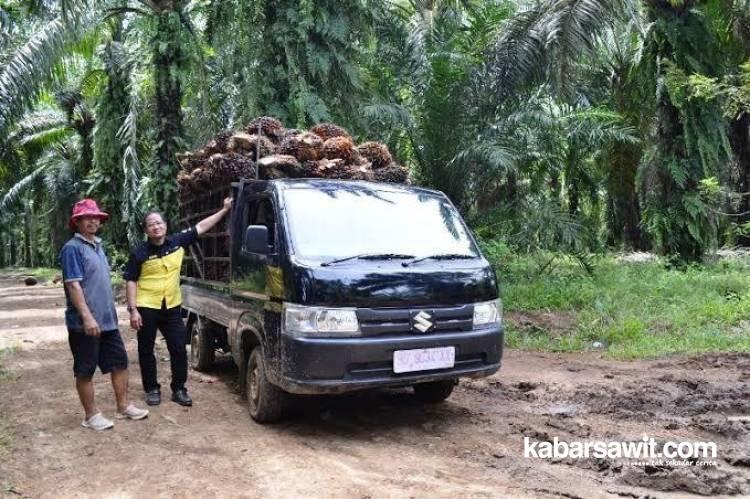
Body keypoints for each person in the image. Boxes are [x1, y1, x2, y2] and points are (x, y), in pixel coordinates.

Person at [124, 197, 233, 406]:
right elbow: (131, 280)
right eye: (151, 224)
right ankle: (152, 389)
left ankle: (179, 389)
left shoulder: (177, 242)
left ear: (165, 226)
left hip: (172, 306)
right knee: (146, 349)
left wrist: (224, 210)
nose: (156, 227)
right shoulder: (139, 253)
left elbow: (201, 227)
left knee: (177, 348)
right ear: (146, 230)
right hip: (147, 306)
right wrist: (133, 310)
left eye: (159, 223)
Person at [60, 199, 149, 431]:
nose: (92, 220)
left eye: (96, 217)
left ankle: (124, 406)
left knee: (119, 363)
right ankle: (91, 416)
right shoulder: (72, 248)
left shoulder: (98, 246)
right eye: (87, 217)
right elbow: (73, 285)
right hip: (84, 324)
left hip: (108, 321)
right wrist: (88, 317)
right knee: (85, 369)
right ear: (77, 222)